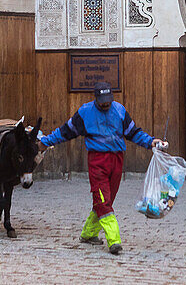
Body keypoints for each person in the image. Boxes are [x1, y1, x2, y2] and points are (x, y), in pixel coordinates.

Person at [38, 82, 165, 254]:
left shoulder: (119, 110)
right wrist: (44, 143)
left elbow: (134, 133)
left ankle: (88, 234)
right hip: (97, 161)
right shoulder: (85, 113)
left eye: (108, 100)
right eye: (103, 101)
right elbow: (65, 131)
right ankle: (114, 240)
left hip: (117, 159)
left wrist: (151, 142)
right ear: (96, 98)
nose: (106, 104)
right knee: (103, 201)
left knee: (106, 200)